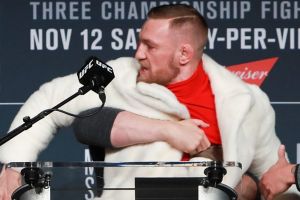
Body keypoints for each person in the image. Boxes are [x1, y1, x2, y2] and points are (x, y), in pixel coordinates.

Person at [0, 4, 299, 200]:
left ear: (183, 54)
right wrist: (12, 165)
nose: (138, 53)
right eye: (139, 41)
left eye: (150, 46)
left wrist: (278, 182)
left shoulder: (245, 101)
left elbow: (275, 181)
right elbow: (49, 100)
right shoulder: (118, 77)